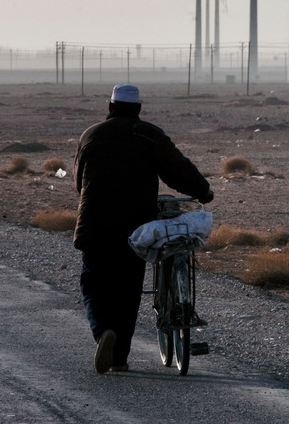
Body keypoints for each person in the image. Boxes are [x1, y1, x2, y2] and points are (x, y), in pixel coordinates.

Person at [73, 84, 214, 373]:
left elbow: (79, 182)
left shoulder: (91, 134)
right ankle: (120, 357)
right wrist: (204, 191)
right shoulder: (150, 135)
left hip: (95, 226)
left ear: (110, 107)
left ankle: (103, 333)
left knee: (94, 284)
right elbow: (178, 170)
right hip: (135, 229)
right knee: (128, 291)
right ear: (138, 110)